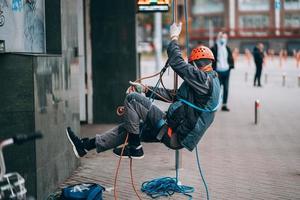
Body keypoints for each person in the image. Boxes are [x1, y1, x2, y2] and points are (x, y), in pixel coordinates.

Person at [66, 23, 221, 159]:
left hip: (173, 133)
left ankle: (135, 148)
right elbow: (173, 96)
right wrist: (145, 90)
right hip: (173, 131)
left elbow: (176, 61)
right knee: (129, 128)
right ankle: (84, 146)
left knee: (132, 99)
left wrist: (174, 37)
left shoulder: (203, 80)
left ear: (194, 65)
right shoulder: (208, 81)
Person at [211, 32, 234, 112]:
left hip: (226, 71)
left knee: (226, 88)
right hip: (218, 71)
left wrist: (230, 66)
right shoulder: (214, 48)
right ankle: (214, 105)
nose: (223, 39)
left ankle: (224, 105)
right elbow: (211, 59)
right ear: (218, 37)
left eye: (224, 37)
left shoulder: (227, 48)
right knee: (217, 89)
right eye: (221, 37)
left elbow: (230, 58)